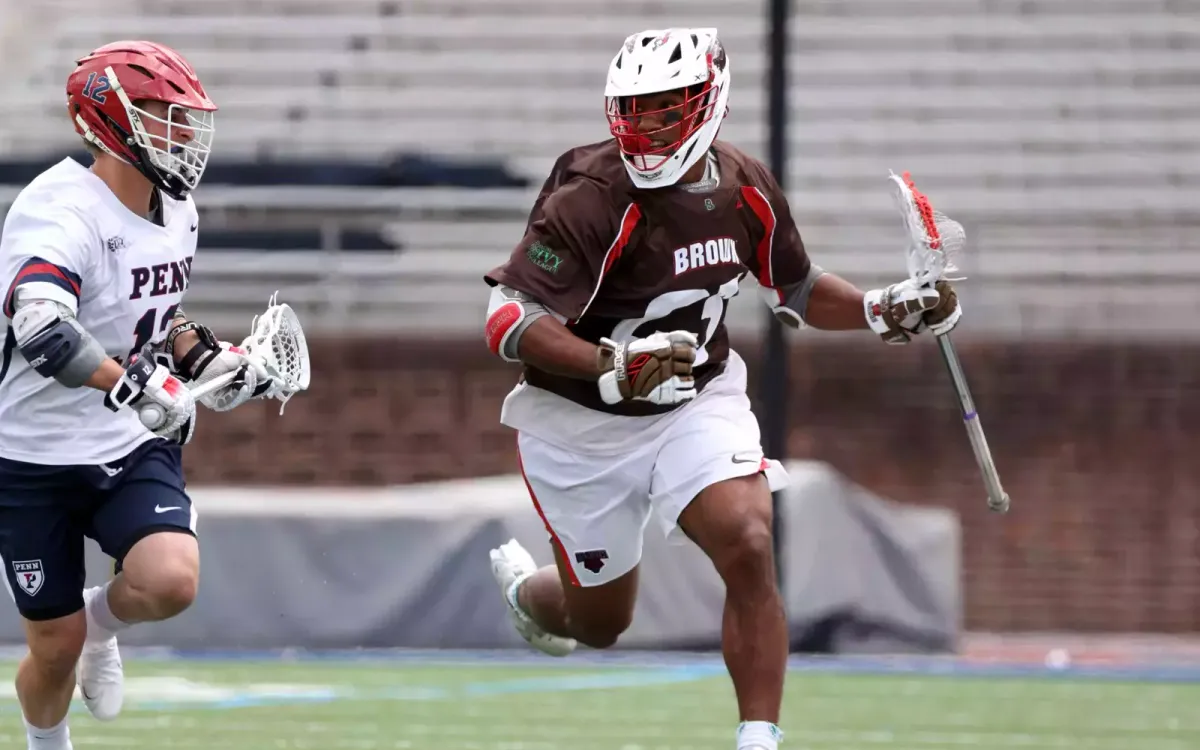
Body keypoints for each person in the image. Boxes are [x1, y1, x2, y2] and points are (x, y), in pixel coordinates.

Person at [481, 27, 960, 750]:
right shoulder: (591, 195)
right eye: (632, 109)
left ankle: (759, 738)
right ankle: (532, 595)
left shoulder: (743, 187)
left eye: (664, 107)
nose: (645, 126)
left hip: (694, 400)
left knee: (747, 537)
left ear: (710, 103)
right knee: (602, 623)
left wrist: (877, 307)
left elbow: (792, 287)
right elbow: (509, 317)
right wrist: (610, 364)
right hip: (580, 422)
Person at [0, 40, 270, 750]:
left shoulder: (176, 207)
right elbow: (42, 327)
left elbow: (152, 312)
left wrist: (204, 354)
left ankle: (101, 626)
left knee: (170, 579)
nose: (181, 132)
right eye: (162, 114)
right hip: (31, 453)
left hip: (124, 440)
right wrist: (129, 385)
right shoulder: (58, 210)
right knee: (51, 650)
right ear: (111, 122)